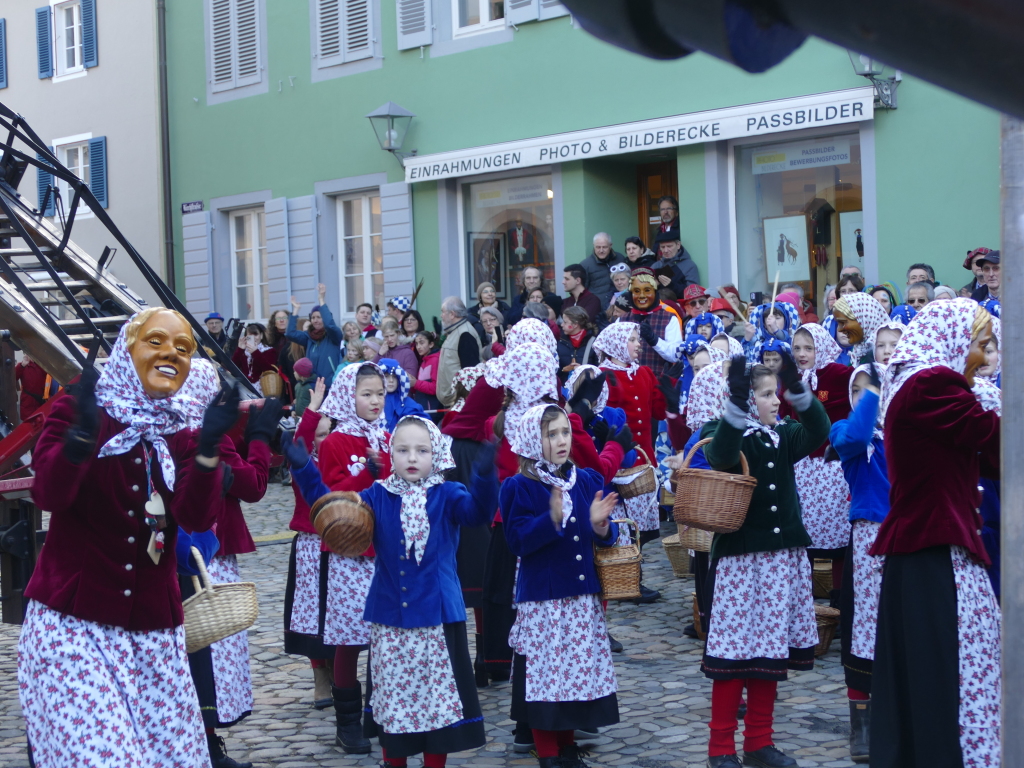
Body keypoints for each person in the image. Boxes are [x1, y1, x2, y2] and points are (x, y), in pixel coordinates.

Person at [18, 309, 237, 768]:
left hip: (154, 634)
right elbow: (47, 494)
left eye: (183, 349)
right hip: (75, 626)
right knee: (103, 758)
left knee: (168, 759)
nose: (170, 355)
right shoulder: (83, 408)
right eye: (156, 341)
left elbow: (194, 516)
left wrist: (207, 451)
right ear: (127, 349)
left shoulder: (178, 427)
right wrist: (78, 441)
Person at [291, 415, 496, 768]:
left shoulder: (448, 494)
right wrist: (305, 471)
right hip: (391, 622)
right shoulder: (378, 495)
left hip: (438, 620)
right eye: (403, 450)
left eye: (421, 450)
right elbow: (333, 509)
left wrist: (484, 477)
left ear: (436, 454)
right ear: (391, 453)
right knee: (395, 705)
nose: (412, 458)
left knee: (438, 708)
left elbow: (478, 513)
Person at [872, 299, 1000, 768]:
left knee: (930, 671)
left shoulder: (920, 382)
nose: (984, 359)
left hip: (927, 548)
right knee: (944, 673)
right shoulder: (931, 383)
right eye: (981, 346)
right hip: (934, 550)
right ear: (955, 340)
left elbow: (990, 455)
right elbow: (993, 436)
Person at [700, 355, 828, 768]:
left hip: (781, 563)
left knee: (768, 653)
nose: (776, 402)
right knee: (734, 655)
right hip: (742, 563)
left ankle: (759, 741)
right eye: (767, 394)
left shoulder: (784, 435)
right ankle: (720, 747)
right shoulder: (730, 432)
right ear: (748, 400)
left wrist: (795, 386)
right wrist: (737, 404)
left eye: (777, 394)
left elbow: (820, 429)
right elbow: (721, 455)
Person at [503, 404, 623, 768]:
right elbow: (517, 540)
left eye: (564, 432)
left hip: (581, 598)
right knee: (545, 680)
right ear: (531, 439)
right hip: (543, 600)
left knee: (575, 676)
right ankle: (550, 754)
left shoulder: (585, 480)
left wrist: (602, 527)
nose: (560, 440)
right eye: (550, 434)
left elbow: (605, 534)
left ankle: (568, 747)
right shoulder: (519, 487)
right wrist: (550, 519)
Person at [180, 397, 279, 768]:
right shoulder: (204, 436)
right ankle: (206, 746)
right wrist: (259, 438)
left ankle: (204, 744)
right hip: (207, 553)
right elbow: (253, 485)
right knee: (208, 653)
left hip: (186, 549)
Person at [313, 362, 394, 754]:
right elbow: (333, 493)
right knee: (350, 638)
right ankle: (347, 724)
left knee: (383, 636)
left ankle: (376, 713)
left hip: (385, 549)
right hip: (350, 550)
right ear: (349, 395)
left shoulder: (388, 435)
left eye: (380, 393)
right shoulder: (335, 442)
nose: (375, 400)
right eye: (367, 393)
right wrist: (369, 474)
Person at [830, 360, 889, 763]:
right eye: (856, 389)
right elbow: (857, 432)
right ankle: (862, 726)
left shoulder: (902, 432)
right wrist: (872, 391)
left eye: (869, 389)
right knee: (865, 631)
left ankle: (899, 715)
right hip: (870, 537)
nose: (862, 395)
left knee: (901, 626)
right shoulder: (845, 432)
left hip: (909, 536)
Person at [785, 324, 853, 602]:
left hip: (833, 468)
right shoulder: (793, 378)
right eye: (797, 348)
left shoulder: (841, 375)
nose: (802, 354)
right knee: (807, 533)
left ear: (821, 348)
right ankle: (807, 602)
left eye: (809, 348)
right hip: (804, 469)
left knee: (838, 535)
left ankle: (839, 598)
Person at [281, 378, 337, 709]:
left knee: (338, 614)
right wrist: (312, 411)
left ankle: (341, 673)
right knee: (313, 614)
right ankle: (320, 678)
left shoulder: (341, 455)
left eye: (328, 432)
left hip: (344, 544)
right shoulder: (302, 460)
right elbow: (300, 441)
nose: (324, 438)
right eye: (320, 434)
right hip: (311, 545)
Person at [593, 322, 666, 464]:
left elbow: (659, 413)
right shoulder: (601, 375)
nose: (638, 344)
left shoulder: (645, 372)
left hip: (645, 459)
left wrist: (668, 389)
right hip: (616, 458)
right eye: (632, 340)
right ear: (617, 343)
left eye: (637, 339)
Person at [629, 267, 685, 379]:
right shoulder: (622, 319)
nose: (642, 296)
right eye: (636, 291)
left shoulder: (669, 318)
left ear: (655, 291)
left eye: (647, 290)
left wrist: (654, 340)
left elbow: (675, 355)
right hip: (628, 385)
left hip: (657, 384)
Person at [287, 285, 344, 388]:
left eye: (319, 317)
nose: (315, 320)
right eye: (313, 317)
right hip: (312, 385)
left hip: (330, 386)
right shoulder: (308, 337)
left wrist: (321, 299)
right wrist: (296, 310)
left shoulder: (334, 336)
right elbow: (290, 334)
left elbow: (330, 325)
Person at [436, 297, 483, 408]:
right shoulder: (455, 332)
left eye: (443, 312)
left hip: (459, 404)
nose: (441, 316)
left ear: (452, 314)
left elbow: (469, 372)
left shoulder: (465, 334)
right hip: (452, 403)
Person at [832, 292, 890, 366]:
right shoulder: (859, 350)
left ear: (864, 320)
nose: (840, 330)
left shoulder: (882, 354)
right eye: (838, 324)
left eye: (843, 322)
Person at [379, 358, 426, 431]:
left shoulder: (406, 402)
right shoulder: (373, 401)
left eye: (394, 377)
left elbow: (422, 424)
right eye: (386, 376)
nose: (391, 380)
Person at [580, 233, 627, 307]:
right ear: (593, 245)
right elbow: (582, 291)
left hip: (621, 306)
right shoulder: (585, 265)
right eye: (598, 247)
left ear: (610, 245)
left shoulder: (620, 259)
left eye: (604, 247)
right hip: (597, 308)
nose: (601, 250)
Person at [232, 322, 279, 394]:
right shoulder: (243, 351)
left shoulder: (269, 350)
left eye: (256, 334)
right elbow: (233, 367)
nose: (253, 338)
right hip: (245, 388)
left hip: (264, 387)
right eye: (250, 335)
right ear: (246, 337)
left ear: (261, 336)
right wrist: (240, 349)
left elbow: (269, 370)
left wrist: (255, 352)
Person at [652, 231, 700, 297]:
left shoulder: (689, 266)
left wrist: (671, 285)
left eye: (669, 246)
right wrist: (653, 286)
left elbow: (693, 294)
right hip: (658, 305)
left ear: (678, 245)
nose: (666, 250)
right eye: (663, 247)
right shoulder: (656, 266)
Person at [557, 306, 598, 381]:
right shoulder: (560, 341)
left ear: (575, 324)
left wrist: (582, 369)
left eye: (565, 322)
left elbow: (598, 369)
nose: (562, 324)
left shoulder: (594, 342)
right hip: (564, 388)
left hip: (585, 386)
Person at [15, 354, 59, 421]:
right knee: (27, 423)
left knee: (41, 422)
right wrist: (22, 365)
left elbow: (50, 376)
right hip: (27, 401)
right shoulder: (23, 366)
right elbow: (13, 377)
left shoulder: (42, 365)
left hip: (41, 400)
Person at [377, 317, 419, 382]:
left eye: (392, 335)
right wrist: (379, 354)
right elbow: (373, 371)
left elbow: (411, 377)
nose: (389, 339)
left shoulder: (407, 352)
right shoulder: (383, 352)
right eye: (386, 336)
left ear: (398, 334)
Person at [411, 332, 442, 413]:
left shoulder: (435, 360)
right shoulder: (424, 361)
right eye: (416, 344)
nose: (418, 347)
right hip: (424, 407)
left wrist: (415, 383)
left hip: (432, 408)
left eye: (421, 343)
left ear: (431, 344)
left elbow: (436, 388)